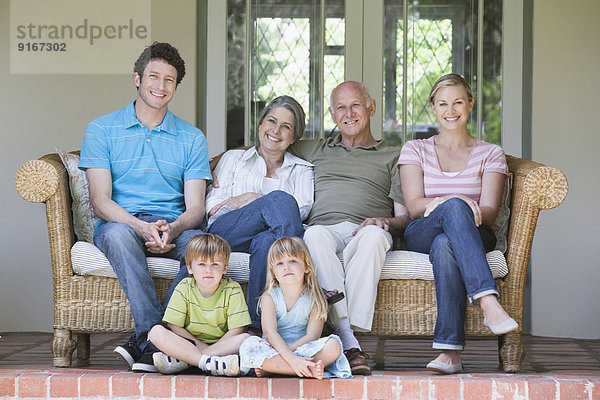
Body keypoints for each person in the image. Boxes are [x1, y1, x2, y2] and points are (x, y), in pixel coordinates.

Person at [79, 42, 212, 372]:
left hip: (172, 225)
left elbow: (196, 208)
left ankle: (148, 341)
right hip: (122, 224)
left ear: (176, 86)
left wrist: (174, 228)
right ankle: (156, 336)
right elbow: (100, 201)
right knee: (120, 235)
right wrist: (141, 227)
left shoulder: (192, 137)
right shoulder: (101, 129)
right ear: (137, 78)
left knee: (200, 246)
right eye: (154, 76)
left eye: (169, 80)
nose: (160, 86)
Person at [397, 73, 517, 374]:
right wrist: (454, 200)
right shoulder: (415, 149)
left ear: (470, 104)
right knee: (450, 211)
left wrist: (457, 206)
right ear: (434, 108)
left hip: (476, 232)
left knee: (446, 243)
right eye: (443, 103)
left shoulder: (490, 153)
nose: (451, 110)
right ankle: (488, 300)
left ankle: (449, 352)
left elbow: (487, 212)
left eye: (458, 102)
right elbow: (414, 207)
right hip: (422, 229)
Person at [290, 81, 411, 375]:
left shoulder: (394, 156)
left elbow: (405, 218)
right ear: (332, 114)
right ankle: (351, 343)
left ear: (370, 107)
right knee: (313, 234)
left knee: (373, 238)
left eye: (356, 105)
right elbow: (271, 142)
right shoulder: (314, 149)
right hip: (325, 229)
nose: (349, 113)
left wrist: (386, 222)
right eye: (340, 107)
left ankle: (345, 335)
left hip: (367, 230)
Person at [205, 96, 312, 331]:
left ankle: (257, 326)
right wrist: (263, 205)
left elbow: (301, 210)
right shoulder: (233, 159)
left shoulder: (302, 170)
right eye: (271, 121)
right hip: (227, 233)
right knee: (282, 200)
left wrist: (248, 199)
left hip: (271, 238)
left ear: (294, 136)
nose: (276, 130)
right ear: (261, 125)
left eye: (286, 126)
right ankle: (304, 291)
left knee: (266, 242)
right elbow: (213, 207)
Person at [239, 237, 351, 379]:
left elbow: (312, 336)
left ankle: (278, 368)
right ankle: (305, 369)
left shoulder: (316, 298)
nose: (286, 267)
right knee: (248, 345)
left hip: (303, 350)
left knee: (333, 345)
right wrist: (291, 359)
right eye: (280, 263)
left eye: (292, 261)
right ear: (274, 273)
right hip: (273, 348)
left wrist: (290, 355)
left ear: (306, 267)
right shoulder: (269, 297)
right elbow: (269, 333)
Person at [148, 234, 251, 375]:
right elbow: (174, 326)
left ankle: (187, 361)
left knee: (246, 338)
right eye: (202, 264)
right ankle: (209, 363)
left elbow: (237, 329)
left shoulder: (232, 289)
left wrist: (206, 350)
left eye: (215, 264)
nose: (208, 270)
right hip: (189, 343)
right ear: (190, 268)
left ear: (225, 268)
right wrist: (200, 346)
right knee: (156, 332)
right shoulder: (184, 287)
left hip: (223, 345)